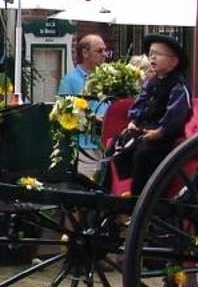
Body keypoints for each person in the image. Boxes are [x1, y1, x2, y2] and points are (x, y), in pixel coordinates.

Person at [112, 34, 191, 192]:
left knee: (145, 153)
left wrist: (161, 131)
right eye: (151, 53)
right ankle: (113, 188)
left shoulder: (178, 85)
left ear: (173, 62)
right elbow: (140, 102)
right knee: (118, 143)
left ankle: (141, 195)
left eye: (158, 54)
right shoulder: (150, 82)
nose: (152, 57)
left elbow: (175, 113)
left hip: (163, 137)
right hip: (143, 129)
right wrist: (134, 121)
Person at [58, 33, 110, 177]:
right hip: (84, 146)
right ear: (85, 53)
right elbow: (63, 113)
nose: (104, 55)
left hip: (108, 145)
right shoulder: (70, 80)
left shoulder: (108, 78)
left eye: (105, 50)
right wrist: (92, 118)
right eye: (99, 51)